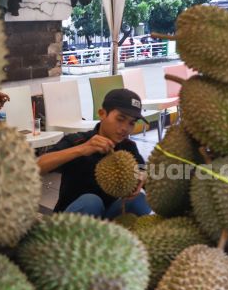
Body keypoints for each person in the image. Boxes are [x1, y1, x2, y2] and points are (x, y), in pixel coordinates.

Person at [37, 88, 152, 219]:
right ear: (102, 114)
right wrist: (82, 149)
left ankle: (113, 236)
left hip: (108, 219)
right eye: (120, 119)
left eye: (131, 123)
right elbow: (37, 166)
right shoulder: (78, 141)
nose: (125, 128)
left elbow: (144, 170)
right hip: (73, 220)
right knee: (91, 202)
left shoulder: (128, 147)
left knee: (139, 200)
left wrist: (142, 177)